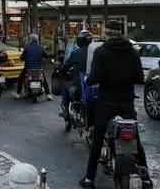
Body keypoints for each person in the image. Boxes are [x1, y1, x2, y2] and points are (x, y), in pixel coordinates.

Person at [79, 20, 152, 189]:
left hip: (106, 103)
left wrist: (88, 80)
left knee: (97, 140)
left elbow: (94, 77)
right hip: (126, 103)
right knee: (135, 140)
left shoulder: (101, 52)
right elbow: (139, 78)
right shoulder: (132, 52)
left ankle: (89, 179)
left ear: (106, 34)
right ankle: (146, 180)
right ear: (121, 33)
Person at [60, 30, 92, 118]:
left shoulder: (76, 53)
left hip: (80, 86)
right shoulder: (96, 52)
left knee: (65, 85)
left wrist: (61, 69)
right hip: (94, 85)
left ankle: (66, 111)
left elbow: (66, 66)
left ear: (79, 41)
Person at [14, 34, 53, 100]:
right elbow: (46, 55)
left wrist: (24, 58)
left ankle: (18, 93)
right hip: (38, 69)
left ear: (30, 40)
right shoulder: (41, 47)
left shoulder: (27, 47)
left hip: (28, 68)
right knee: (44, 80)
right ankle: (48, 94)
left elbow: (22, 57)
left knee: (20, 78)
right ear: (37, 40)